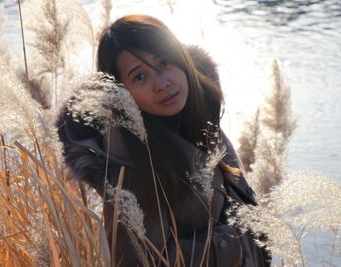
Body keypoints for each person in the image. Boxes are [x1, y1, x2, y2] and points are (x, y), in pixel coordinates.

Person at [56, 14, 271, 266]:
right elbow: (137, 261)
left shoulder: (201, 117)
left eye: (165, 63)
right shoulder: (133, 166)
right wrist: (234, 243)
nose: (162, 83)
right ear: (121, 93)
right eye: (140, 77)